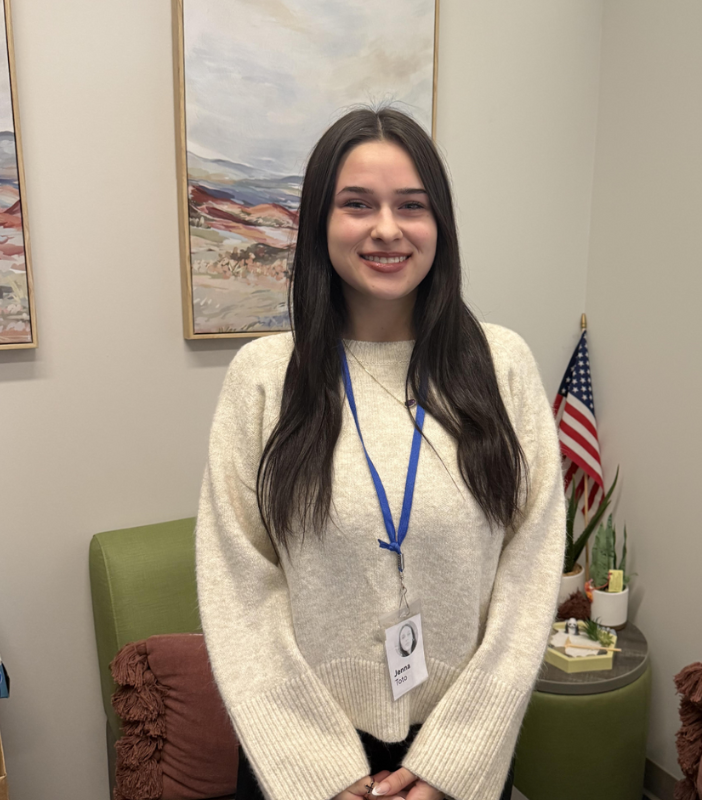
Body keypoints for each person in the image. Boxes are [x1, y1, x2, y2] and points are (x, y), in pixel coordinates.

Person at [195, 107, 566, 800]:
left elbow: (531, 568)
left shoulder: (502, 365)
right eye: (357, 204)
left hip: (460, 751)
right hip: (300, 758)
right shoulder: (263, 376)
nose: (387, 229)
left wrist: (454, 764)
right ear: (319, 225)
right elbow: (238, 587)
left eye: (412, 207)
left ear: (441, 226)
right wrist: (318, 775)